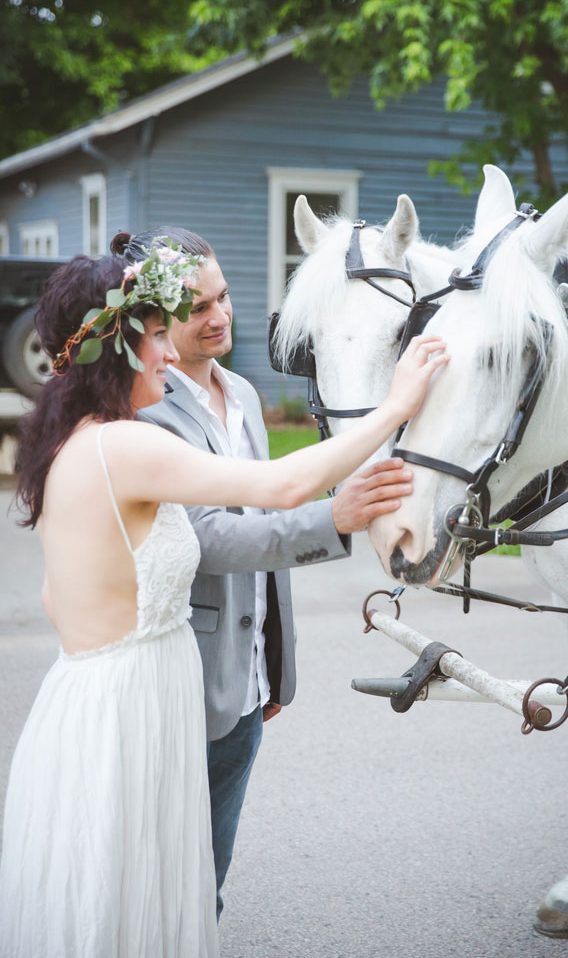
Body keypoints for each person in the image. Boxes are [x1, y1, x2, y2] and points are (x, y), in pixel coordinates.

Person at [0, 242, 447, 958]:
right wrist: (396, 404)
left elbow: (58, 599)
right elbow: (281, 490)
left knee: (113, 897)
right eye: (155, 336)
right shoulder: (123, 446)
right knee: (134, 904)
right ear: (115, 348)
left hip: (96, 701)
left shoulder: (71, 441)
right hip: (131, 711)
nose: (168, 355)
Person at [119, 225, 418, 920]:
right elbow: (209, 540)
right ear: (155, 321)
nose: (219, 316)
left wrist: (271, 665)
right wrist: (333, 518)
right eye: (198, 309)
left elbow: (260, 544)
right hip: (181, 690)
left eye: (223, 297)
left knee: (207, 882)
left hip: (247, 686)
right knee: (159, 886)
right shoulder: (144, 415)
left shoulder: (246, 396)